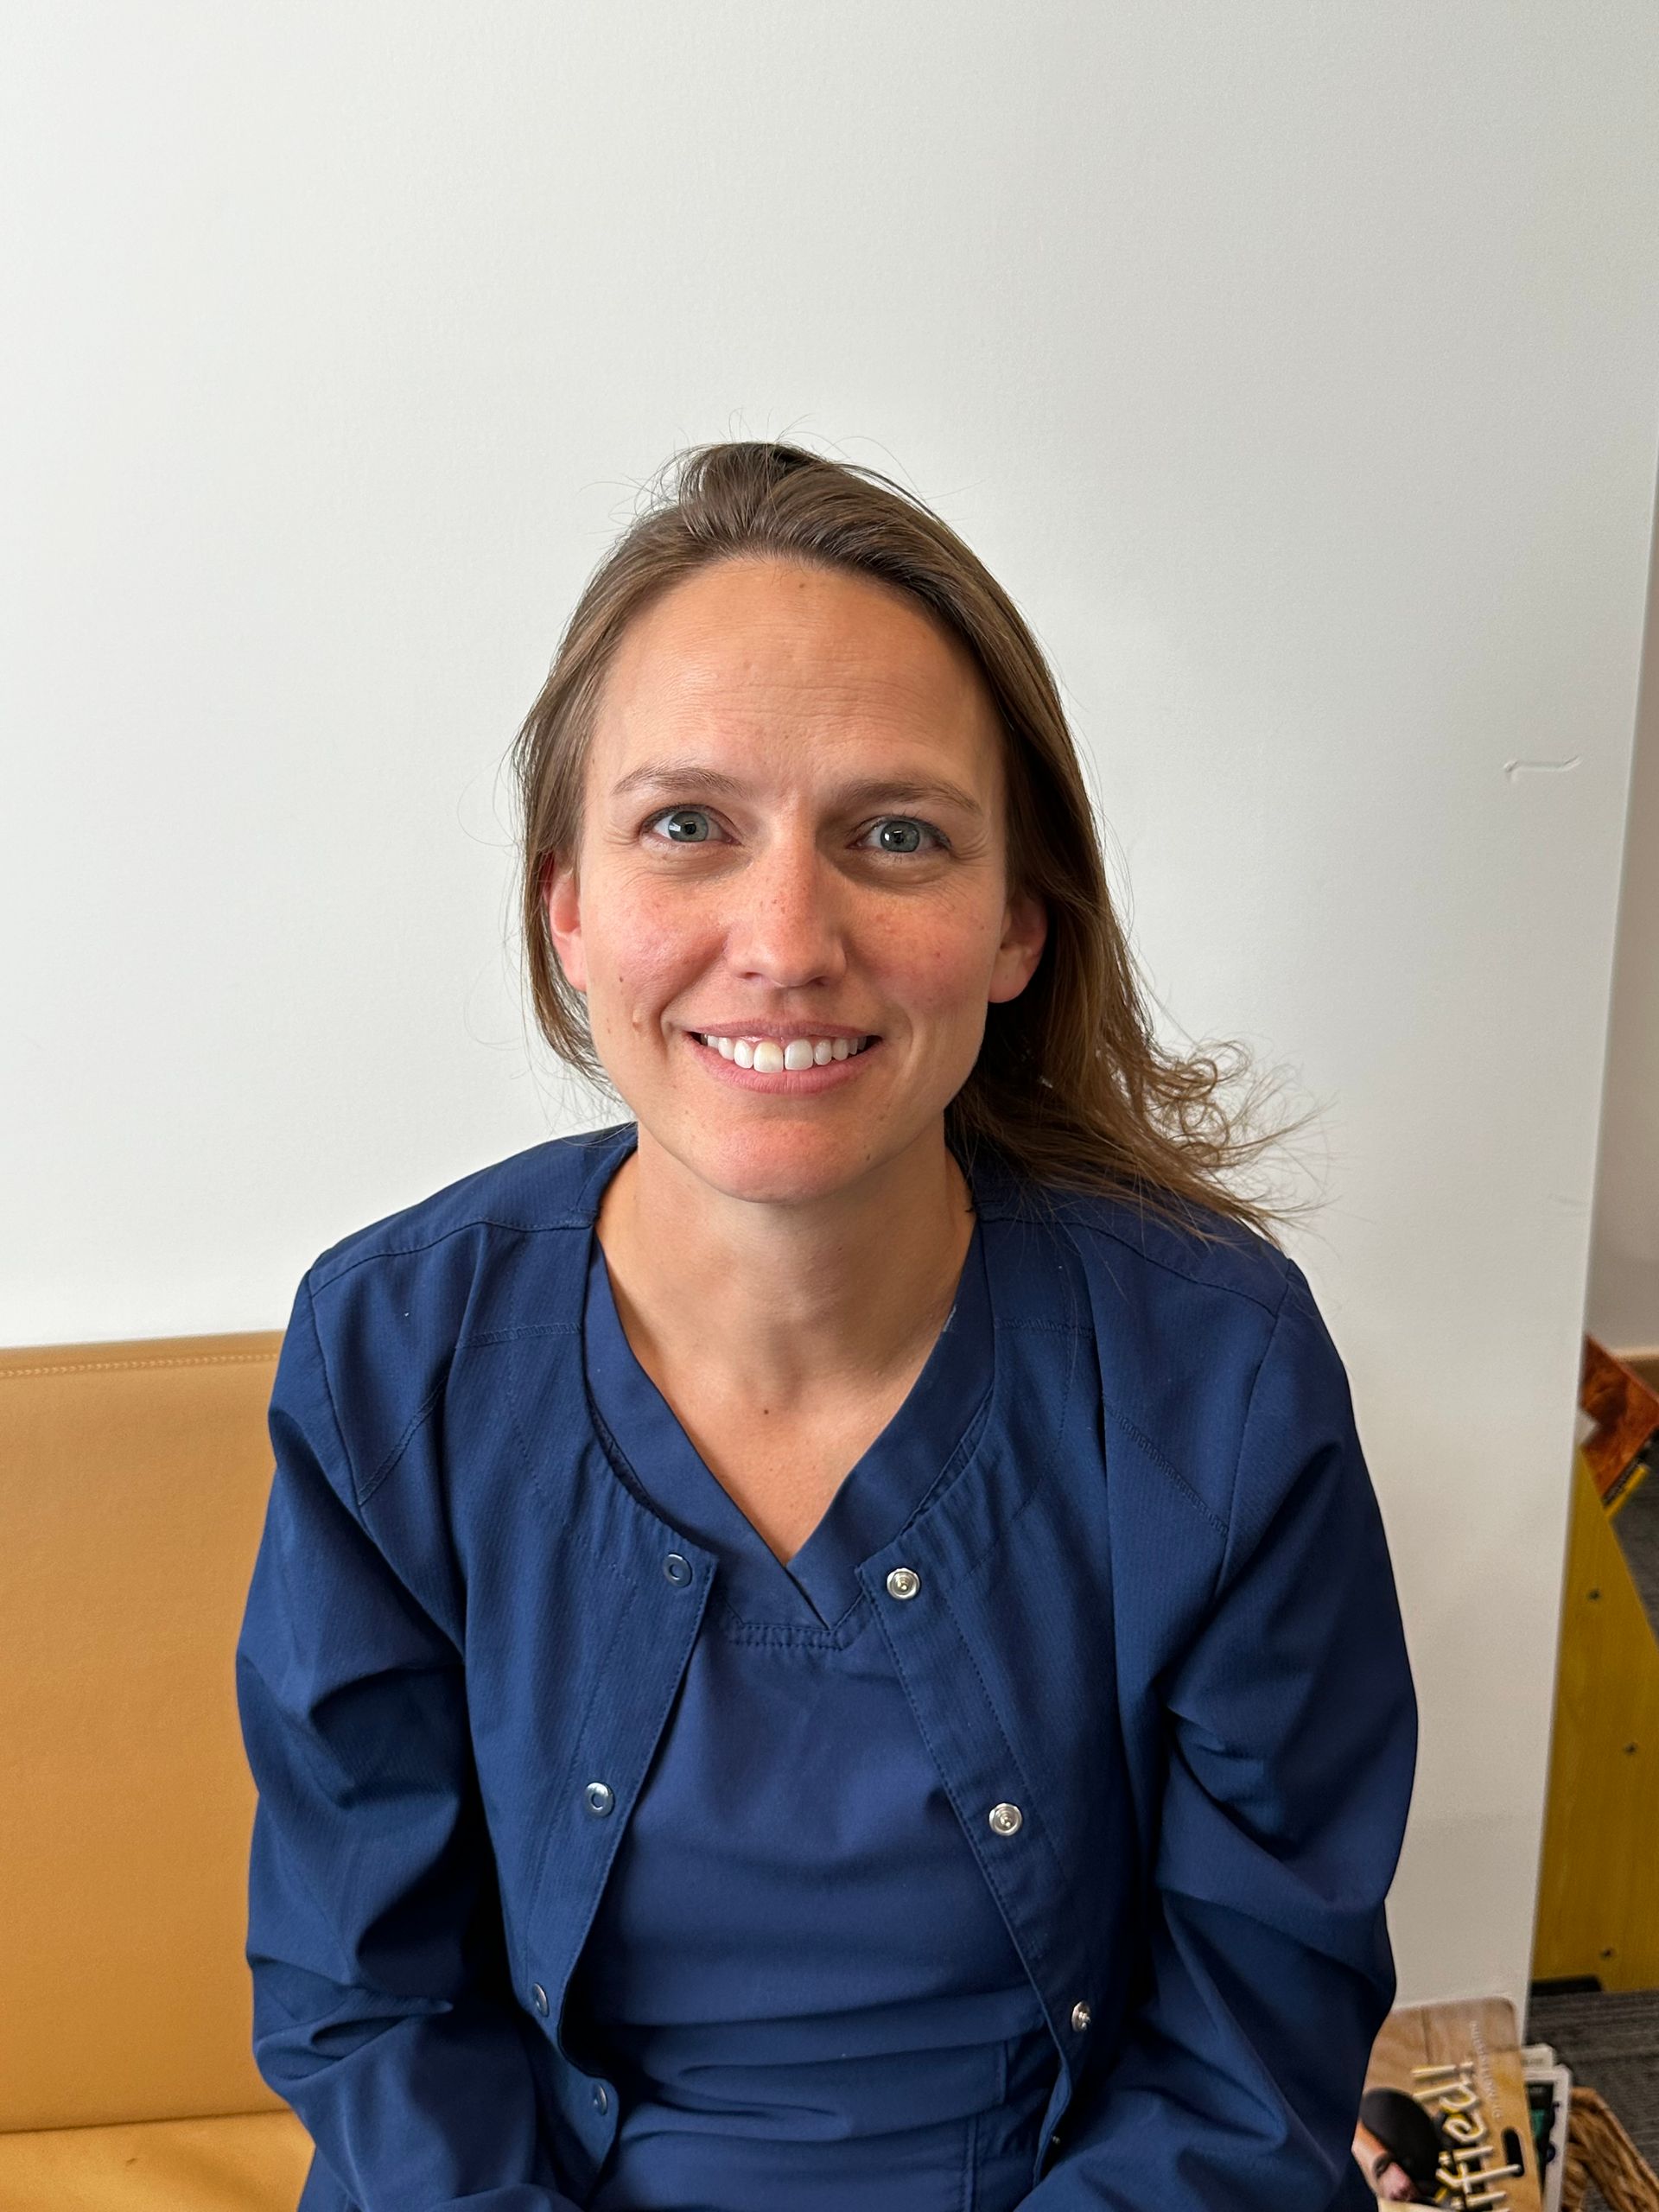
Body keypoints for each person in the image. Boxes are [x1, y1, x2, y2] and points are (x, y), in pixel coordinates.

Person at [236, 439, 1418, 2212]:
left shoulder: (1223, 1373)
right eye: (687, 825)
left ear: (1019, 921)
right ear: (567, 902)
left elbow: (1253, 2046)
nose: (786, 937)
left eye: (893, 833)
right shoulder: (385, 1351)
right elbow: (368, 2002)